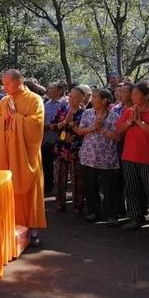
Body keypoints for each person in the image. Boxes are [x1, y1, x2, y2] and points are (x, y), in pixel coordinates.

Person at [0, 69, 46, 246]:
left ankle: (33, 228)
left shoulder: (34, 100)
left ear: (18, 82)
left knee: (29, 189)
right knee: (7, 187)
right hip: (6, 152)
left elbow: (36, 125)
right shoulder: (5, 100)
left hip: (24, 154)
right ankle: (9, 224)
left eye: (7, 84)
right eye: (3, 84)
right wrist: (4, 119)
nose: (4, 87)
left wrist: (16, 117)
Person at [115, 83, 149, 235]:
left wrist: (138, 121)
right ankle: (135, 218)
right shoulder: (129, 111)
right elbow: (119, 129)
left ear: (147, 96)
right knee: (132, 190)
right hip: (129, 157)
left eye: (136, 94)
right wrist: (130, 120)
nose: (133, 97)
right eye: (133, 94)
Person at [74, 89, 121, 224]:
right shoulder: (88, 114)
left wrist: (101, 129)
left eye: (95, 97)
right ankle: (94, 212)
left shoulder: (114, 117)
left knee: (110, 188)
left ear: (105, 100)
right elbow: (80, 130)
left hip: (107, 159)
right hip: (89, 157)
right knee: (90, 186)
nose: (92, 99)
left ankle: (112, 215)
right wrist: (93, 128)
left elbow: (118, 137)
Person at [51, 86, 86, 214]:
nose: (71, 99)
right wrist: (60, 124)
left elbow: (85, 131)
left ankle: (78, 205)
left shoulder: (85, 113)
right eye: (70, 96)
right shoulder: (63, 109)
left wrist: (72, 125)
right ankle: (60, 203)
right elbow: (52, 124)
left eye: (75, 97)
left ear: (82, 99)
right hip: (61, 146)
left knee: (77, 177)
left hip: (76, 148)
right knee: (59, 176)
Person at [42, 83, 66, 195]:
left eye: (52, 88)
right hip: (46, 139)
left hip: (60, 140)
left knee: (60, 167)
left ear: (60, 90)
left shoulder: (65, 103)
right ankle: (48, 187)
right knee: (46, 164)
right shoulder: (45, 104)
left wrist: (56, 126)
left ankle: (60, 190)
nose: (49, 90)